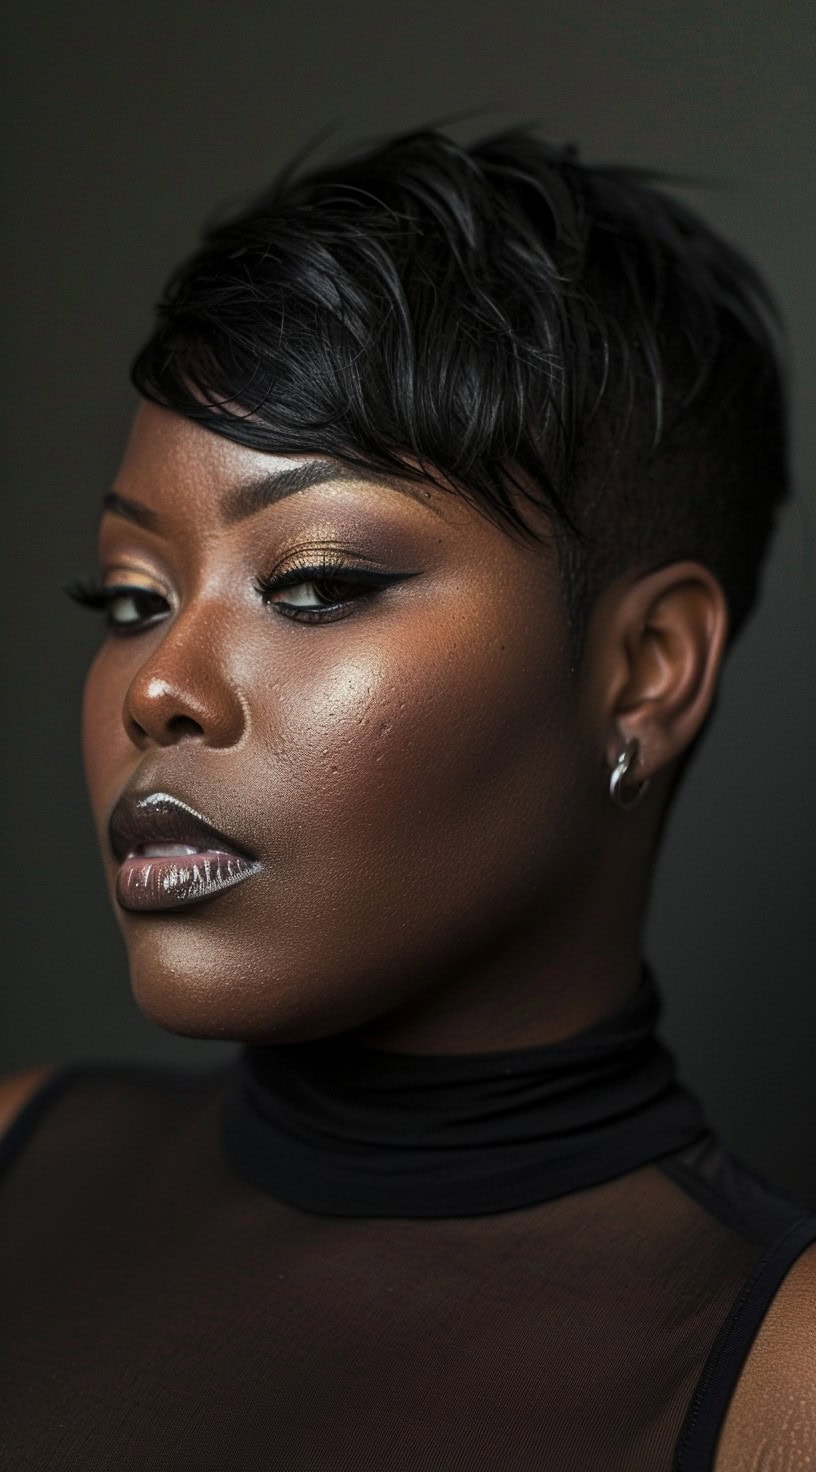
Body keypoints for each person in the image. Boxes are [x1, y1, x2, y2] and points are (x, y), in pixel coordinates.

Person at [0, 126, 813, 1470]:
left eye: (315, 581)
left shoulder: (777, 1384)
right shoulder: (15, 1159)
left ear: (645, 672)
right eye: (132, 599)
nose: (157, 687)